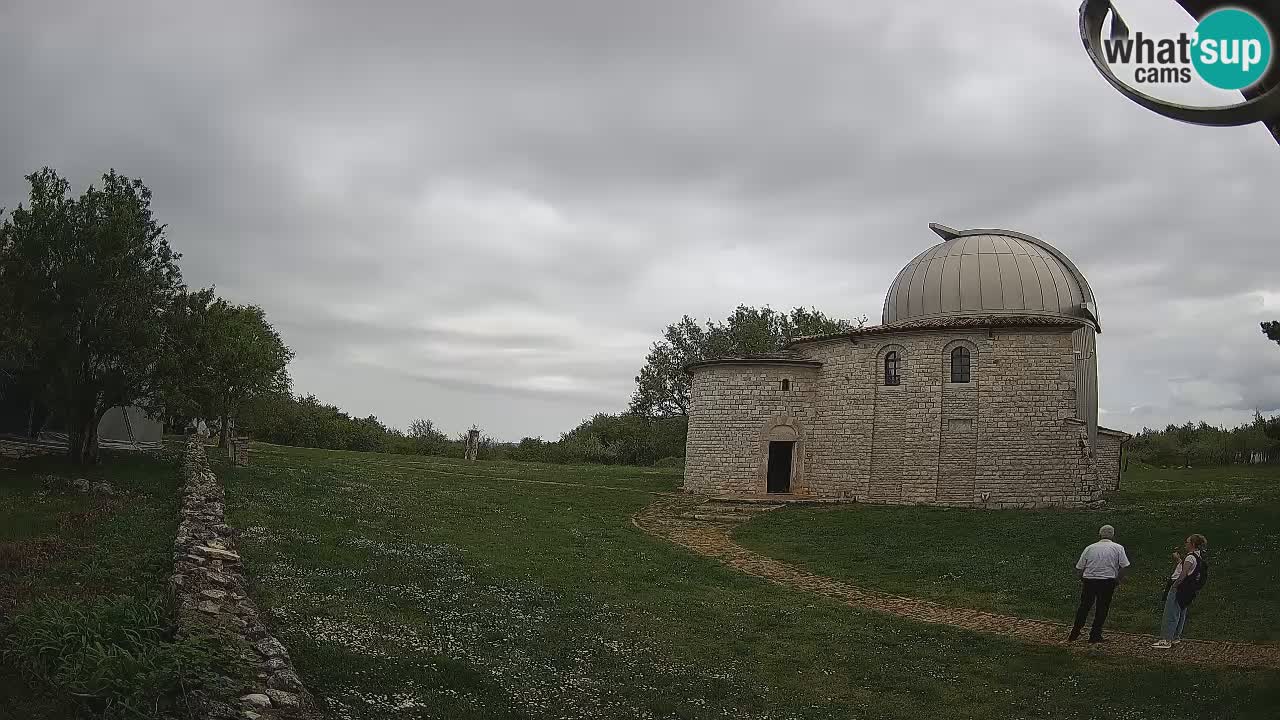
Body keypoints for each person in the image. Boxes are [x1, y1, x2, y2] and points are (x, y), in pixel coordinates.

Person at [1068, 524, 1130, 643]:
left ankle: (1075, 632)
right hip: (1107, 580)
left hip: (1090, 580)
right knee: (1102, 608)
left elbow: (1080, 567)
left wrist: (1082, 578)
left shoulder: (1090, 548)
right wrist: (1117, 579)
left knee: (1084, 607)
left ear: (1099, 534)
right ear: (1113, 535)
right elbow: (1124, 566)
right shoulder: (1118, 548)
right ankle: (1095, 634)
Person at [1152, 534, 1209, 649]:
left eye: (1187, 542)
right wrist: (1178, 560)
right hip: (1187, 590)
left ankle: (1166, 639)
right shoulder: (1197, 557)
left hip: (1180, 588)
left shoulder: (1189, 557)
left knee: (1171, 612)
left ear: (1192, 544)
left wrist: (1175, 585)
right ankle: (1175, 637)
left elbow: (1183, 574)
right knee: (1181, 612)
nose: (1185, 544)